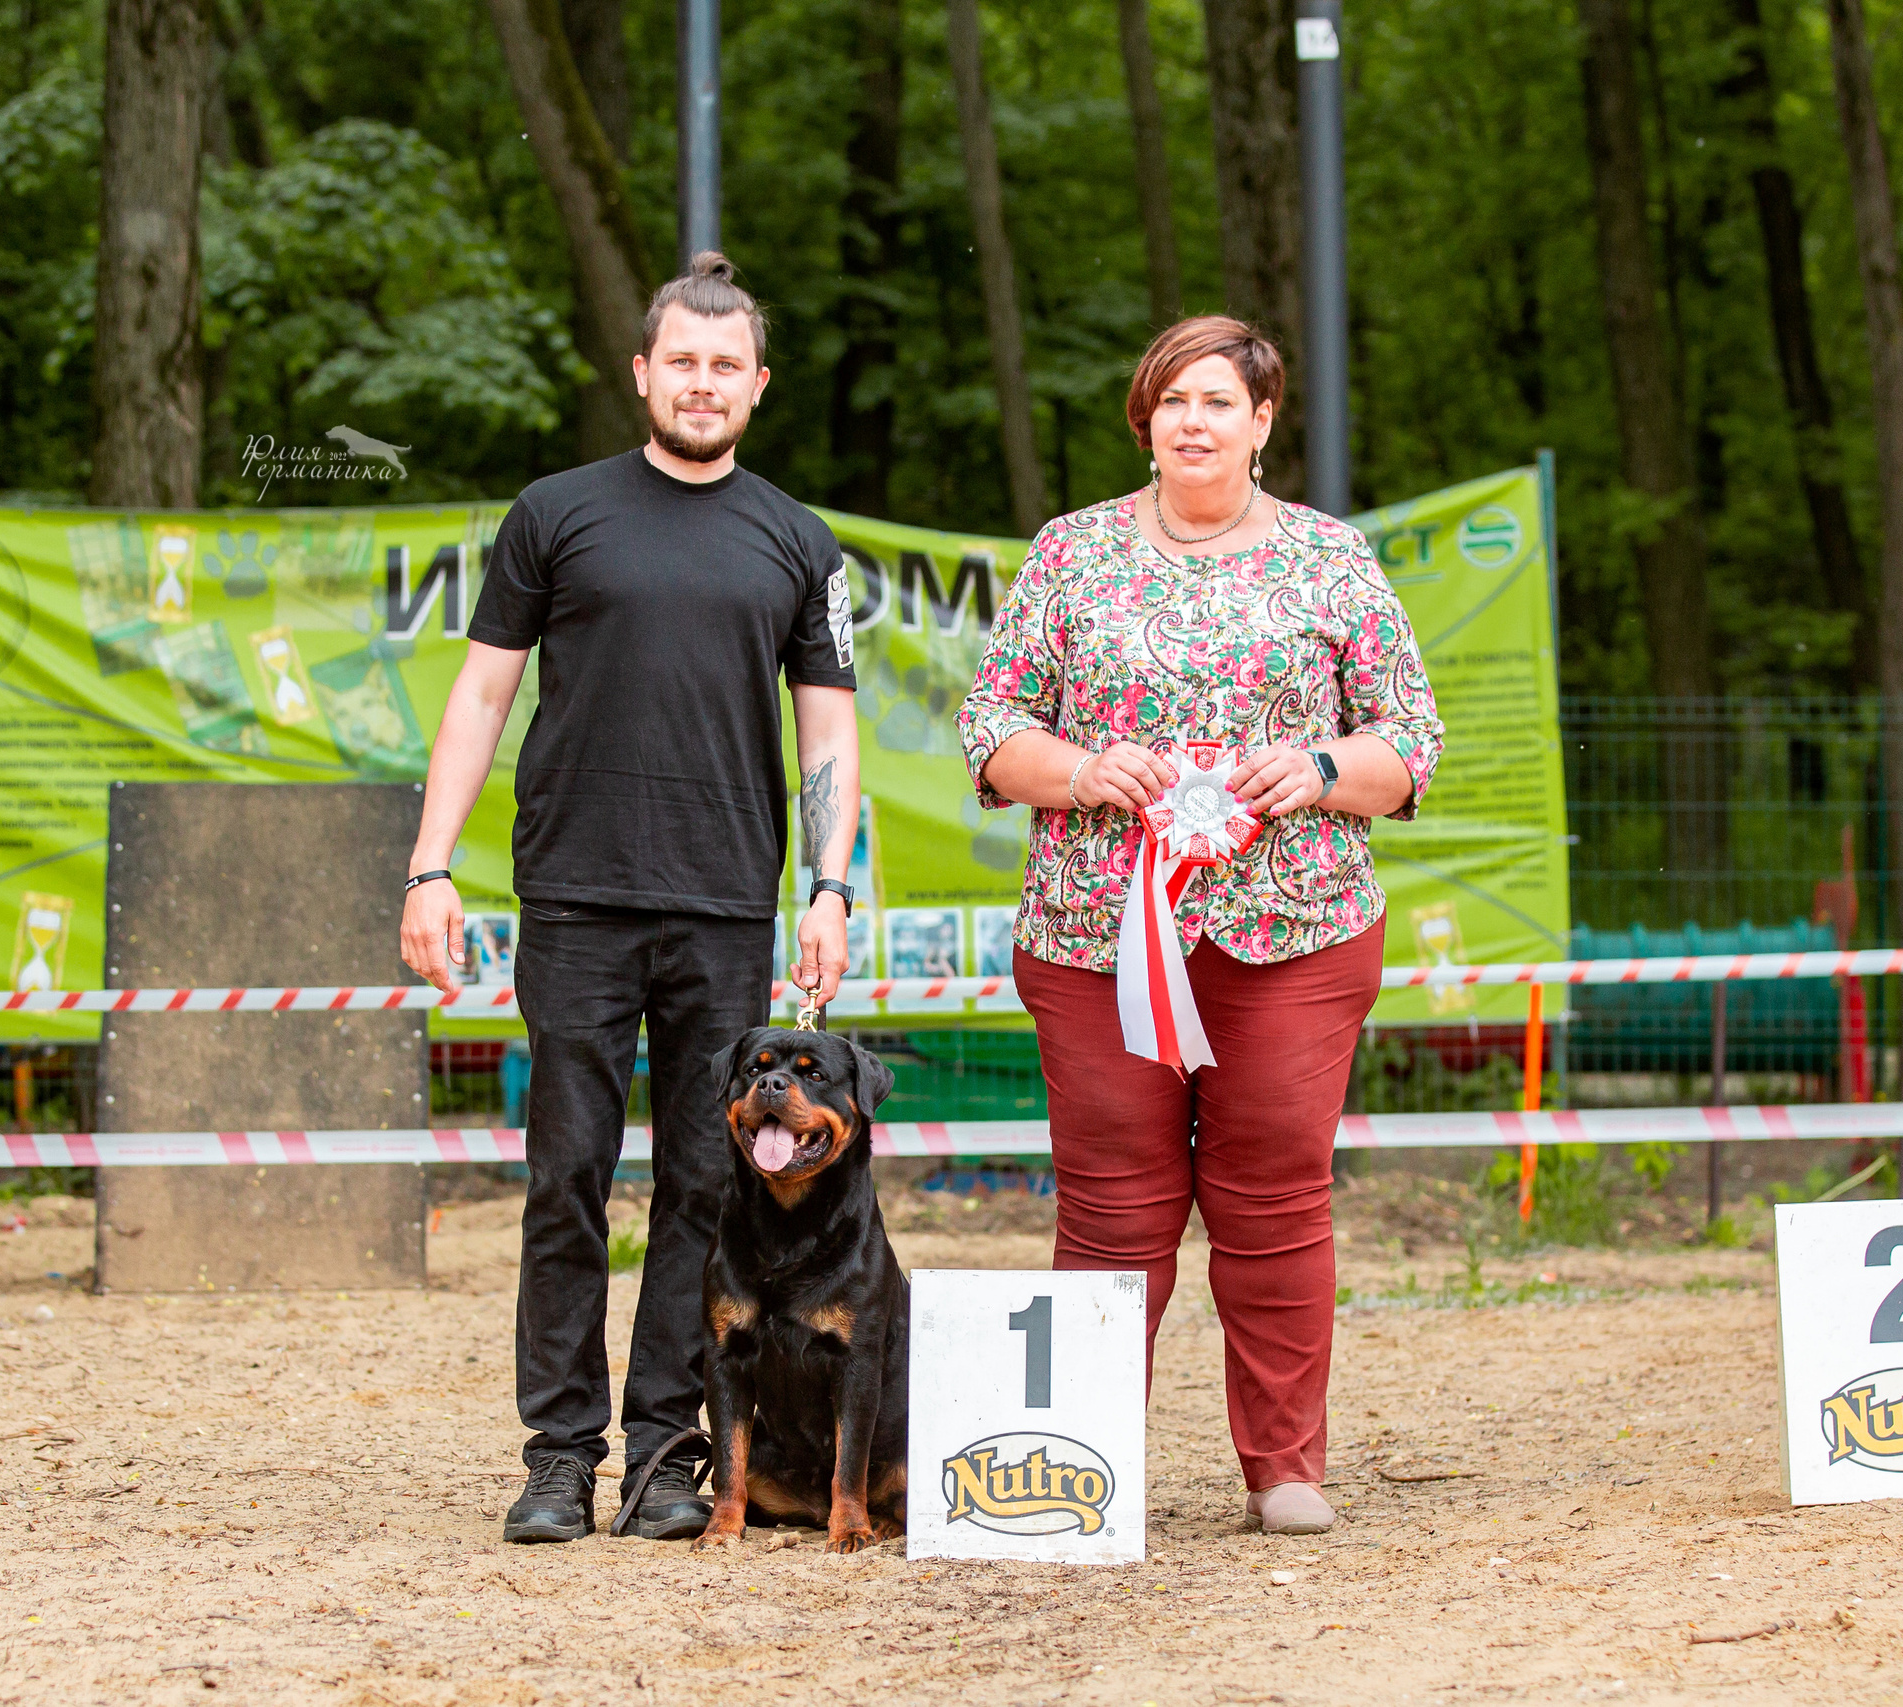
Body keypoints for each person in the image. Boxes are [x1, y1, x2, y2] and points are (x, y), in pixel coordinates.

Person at [398, 252, 862, 1543]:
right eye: (684, 362)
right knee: (567, 1179)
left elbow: (826, 730)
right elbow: (481, 694)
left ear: (756, 387)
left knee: (708, 1187)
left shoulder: (796, 540)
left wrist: (829, 887)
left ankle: (667, 1452)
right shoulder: (554, 514)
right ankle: (558, 1455)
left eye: (729, 366)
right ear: (644, 372)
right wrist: (431, 864)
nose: (703, 384)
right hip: (577, 898)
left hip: (727, 903)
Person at [956, 316, 1442, 1536]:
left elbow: (1410, 742)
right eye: (1171, 399)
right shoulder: (1068, 556)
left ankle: (1284, 1467)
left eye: (1217, 399)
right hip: (1091, 936)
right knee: (1110, 1205)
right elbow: (991, 730)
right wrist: (1080, 770)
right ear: (1144, 419)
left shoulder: (1335, 561)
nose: (1192, 420)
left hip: (1296, 933)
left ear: (1263, 421)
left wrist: (1322, 767)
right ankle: (1078, 1461)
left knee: (1275, 1195)